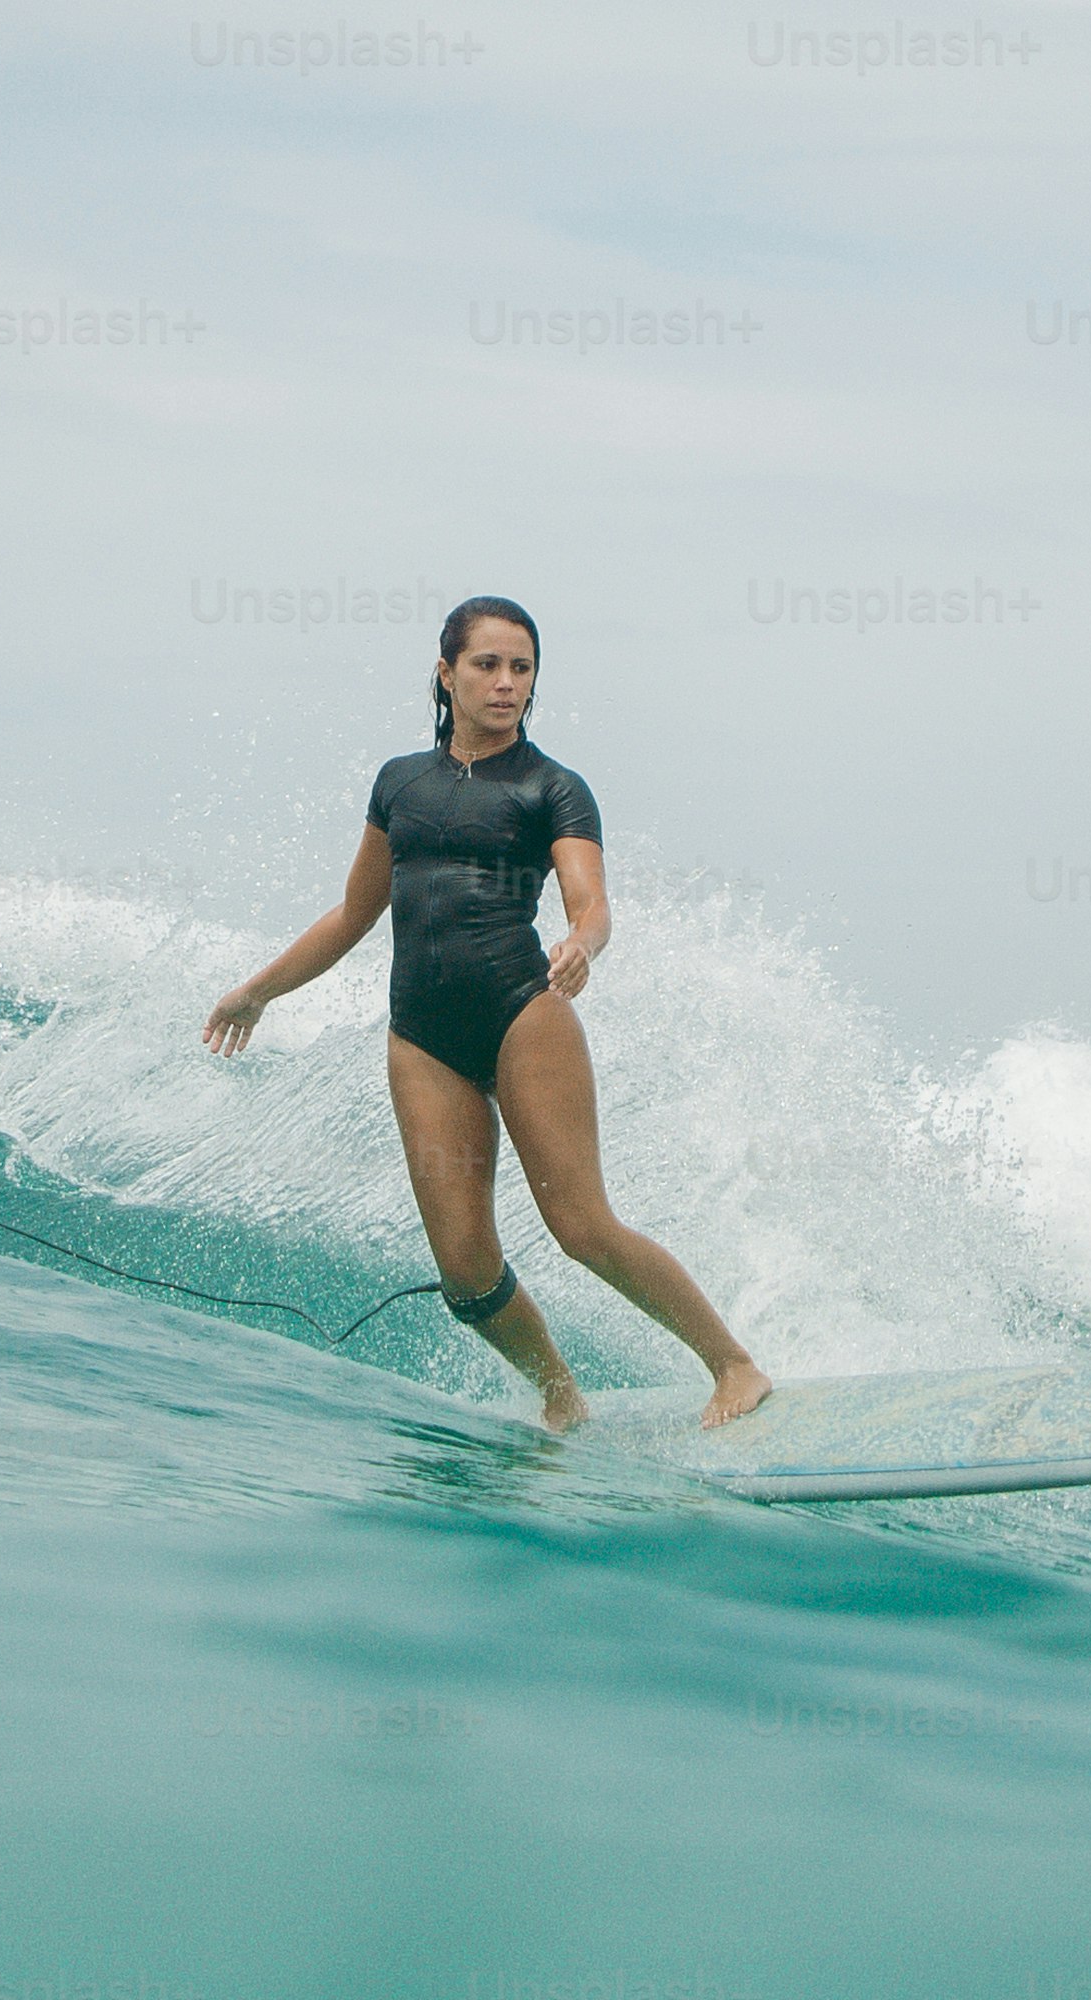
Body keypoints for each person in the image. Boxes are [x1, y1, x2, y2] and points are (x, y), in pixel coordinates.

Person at [205, 596, 772, 1431]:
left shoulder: (551, 787)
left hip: (522, 1013)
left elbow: (592, 900)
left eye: (522, 669)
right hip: (423, 1036)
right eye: (488, 665)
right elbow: (352, 916)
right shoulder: (400, 783)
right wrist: (258, 990)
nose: (506, 683)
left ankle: (734, 1365)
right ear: (446, 672)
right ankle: (560, 1399)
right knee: (464, 1273)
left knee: (581, 1226)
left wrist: (583, 942)